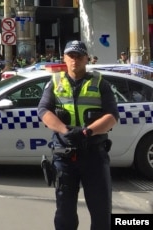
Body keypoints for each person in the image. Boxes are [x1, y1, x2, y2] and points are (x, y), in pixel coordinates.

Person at [38, 40, 119, 230]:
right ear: (65, 58)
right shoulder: (55, 82)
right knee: (64, 215)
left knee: (101, 213)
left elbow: (112, 115)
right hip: (64, 156)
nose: (75, 60)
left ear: (86, 59)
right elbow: (43, 111)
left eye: (79, 56)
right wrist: (66, 130)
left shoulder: (100, 83)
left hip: (93, 155)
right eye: (71, 56)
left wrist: (87, 132)